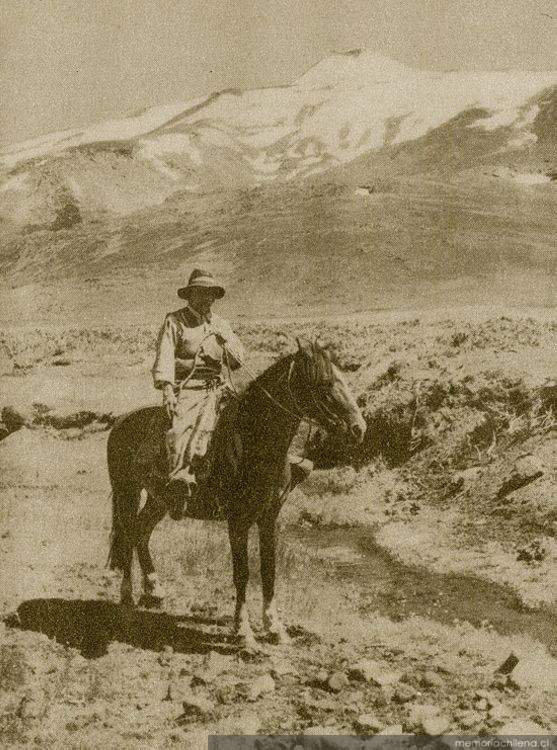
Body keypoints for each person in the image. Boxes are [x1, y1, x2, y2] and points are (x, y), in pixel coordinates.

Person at [152, 268, 244, 513]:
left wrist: (227, 341)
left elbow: (237, 362)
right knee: (184, 425)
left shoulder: (220, 324)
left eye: (211, 294)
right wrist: (168, 390)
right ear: (190, 295)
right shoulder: (175, 321)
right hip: (188, 388)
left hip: (218, 387)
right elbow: (165, 357)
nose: (208, 299)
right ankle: (180, 477)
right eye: (202, 293)